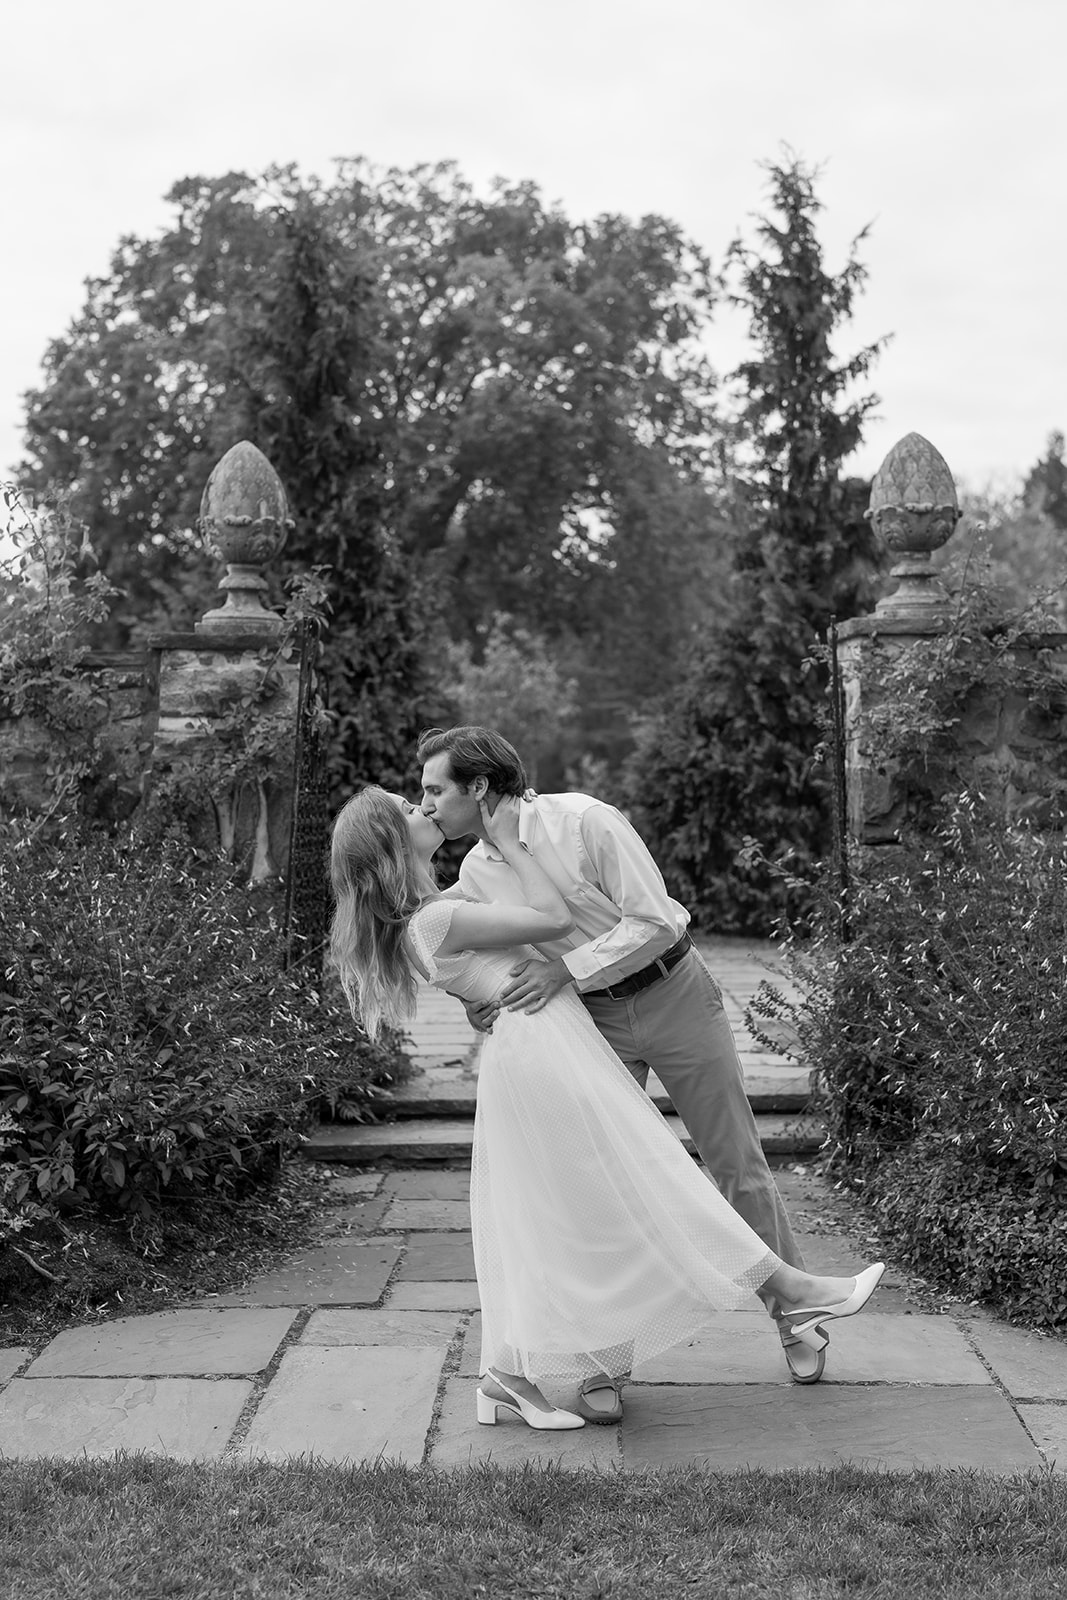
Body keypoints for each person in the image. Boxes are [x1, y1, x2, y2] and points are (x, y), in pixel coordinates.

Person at [329, 783, 884, 1432]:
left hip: (560, 1036)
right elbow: (550, 921)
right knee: (648, 1189)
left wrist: (477, 986)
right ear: (391, 847)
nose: (420, 805)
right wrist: (507, 842)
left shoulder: (435, 908)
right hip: (548, 1048)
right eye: (406, 806)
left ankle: (508, 1371)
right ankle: (793, 1294)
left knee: (585, 1207)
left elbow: (486, 951)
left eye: (425, 793)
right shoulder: (440, 911)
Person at [416, 724, 826, 1422]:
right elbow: (458, 944)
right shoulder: (479, 870)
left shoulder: (585, 822)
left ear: (478, 786)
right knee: (599, 1188)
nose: (425, 804)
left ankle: (793, 1313)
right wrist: (478, 1003)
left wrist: (561, 968)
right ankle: (605, 1359)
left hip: (674, 995)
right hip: (589, 1024)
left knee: (736, 1164)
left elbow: (656, 921)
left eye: (433, 790)